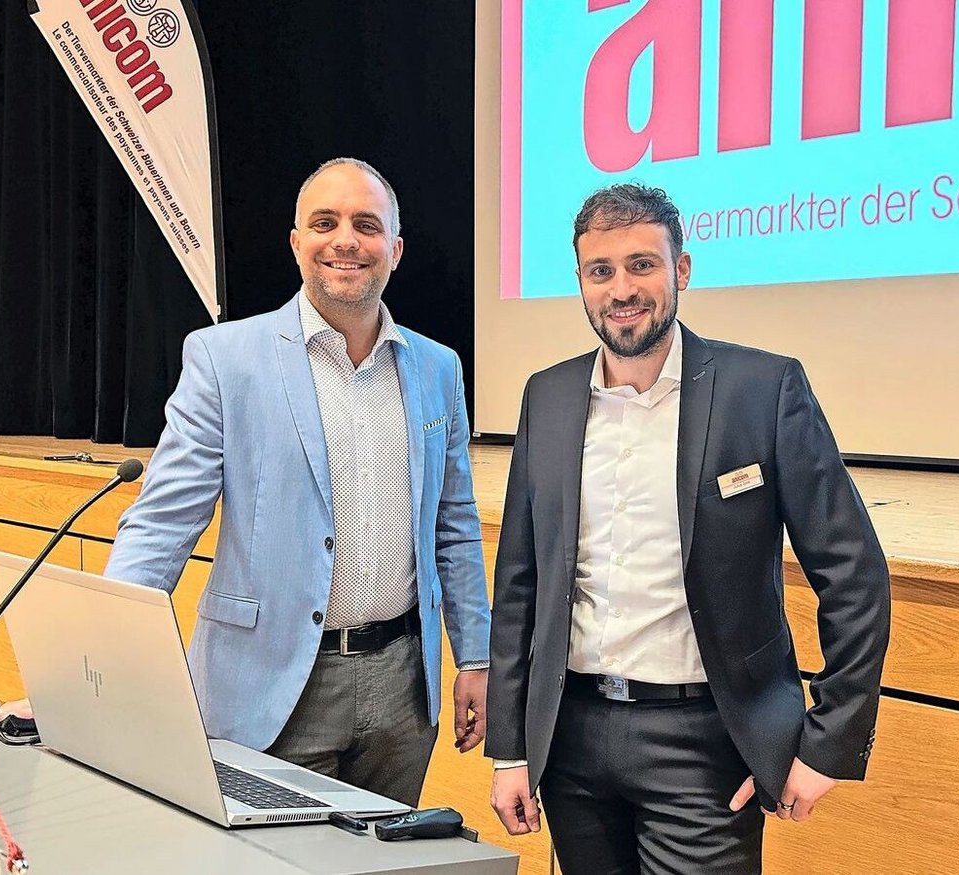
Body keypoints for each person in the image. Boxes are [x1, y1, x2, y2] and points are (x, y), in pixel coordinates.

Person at [486, 183, 891, 872]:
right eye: (601, 270)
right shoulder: (547, 396)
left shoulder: (762, 389)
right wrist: (511, 747)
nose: (622, 288)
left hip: (705, 743)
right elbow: (521, 582)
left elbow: (853, 574)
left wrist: (826, 743)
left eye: (642, 264)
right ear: (581, 281)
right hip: (572, 740)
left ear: (681, 270)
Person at [103, 157, 491, 807]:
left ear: (393, 250)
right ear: (296, 243)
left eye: (366, 225)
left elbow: (453, 524)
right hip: (268, 686)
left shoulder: (438, 369)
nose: (346, 239)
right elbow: (161, 524)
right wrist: (102, 655)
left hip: (402, 692)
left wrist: (475, 656)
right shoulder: (223, 359)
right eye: (325, 222)